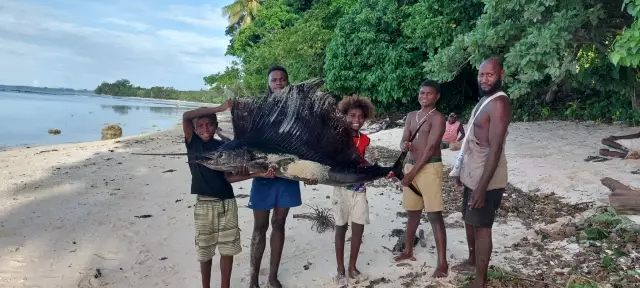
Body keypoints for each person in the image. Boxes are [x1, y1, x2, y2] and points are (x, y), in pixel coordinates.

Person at [183, 103, 276, 288]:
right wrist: (217, 109)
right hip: (204, 204)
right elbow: (186, 115)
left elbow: (229, 178)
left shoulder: (224, 146)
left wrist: (256, 174)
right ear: (194, 129)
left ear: (216, 126)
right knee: (205, 250)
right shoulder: (193, 143)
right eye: (200, 125)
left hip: (228, 203)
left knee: (228, 249)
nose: (205, 128)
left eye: (209, 124)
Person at [249, 66, 317, 288]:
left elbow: (306, 143)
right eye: (274, 80)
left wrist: (309, 172)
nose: (278, 83)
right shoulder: (259, 109)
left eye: (282, 80)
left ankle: (272, 277)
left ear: (287, 83)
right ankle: (253, 278)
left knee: (279, 223)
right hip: (263, 175)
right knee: (260, 227)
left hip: (288, 175)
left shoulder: (297, 111)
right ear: (268, 84)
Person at [452, 56, 511, 288]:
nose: (485, 79)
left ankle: (480, 281)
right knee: (469, 219)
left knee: (482, 227)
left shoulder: (499, 103)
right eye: (481, 74)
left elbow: (495, 150)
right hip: (473, 172)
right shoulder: (486, 100)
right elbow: (471, 138)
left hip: (487, 177)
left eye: (490, 74)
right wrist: (461, 172)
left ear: (501, 75)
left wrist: (481, 187)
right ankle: (471, 260)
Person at [390, 80, 449, 278]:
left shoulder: (438, 118)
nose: (424, 97)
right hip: (410, 165)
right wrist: (403, 146)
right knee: (412, 212)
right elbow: (403, 140)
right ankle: (408, 250)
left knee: (434, 215)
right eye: (421, 93)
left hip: (429, 167)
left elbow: (431, 148)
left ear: (437, 96)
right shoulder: (411, 116)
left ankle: (442, 263)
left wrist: (411, 174)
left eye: (429, 94)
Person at [333, 95, 375, 284]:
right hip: (340, 188)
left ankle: (352, 266)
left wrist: (375, 169)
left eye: (360, 116)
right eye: (352, 115)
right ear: (345, 115)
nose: (356, 120)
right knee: (340, 227)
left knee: (358, 228)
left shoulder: (365, 139)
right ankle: (341, 268)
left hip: (359, 188)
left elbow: (361, 160)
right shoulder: (336, 136)